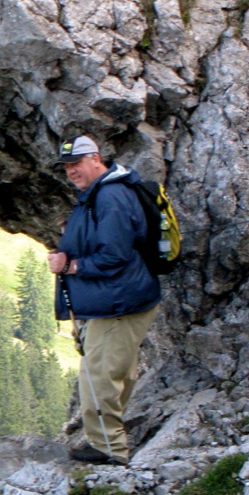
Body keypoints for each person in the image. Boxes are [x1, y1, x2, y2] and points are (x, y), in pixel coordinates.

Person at [48, 136, 161, 466]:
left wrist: (70, 266)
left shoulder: (110, 197)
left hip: (117, 303)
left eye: (77, 163)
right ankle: (111, 439)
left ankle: (109, 448)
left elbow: (114, 256)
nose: (71, 171)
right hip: (124, 298)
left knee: (97, 376)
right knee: (117, 371)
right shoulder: (103, 192)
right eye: (66, 166)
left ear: (96, 158)